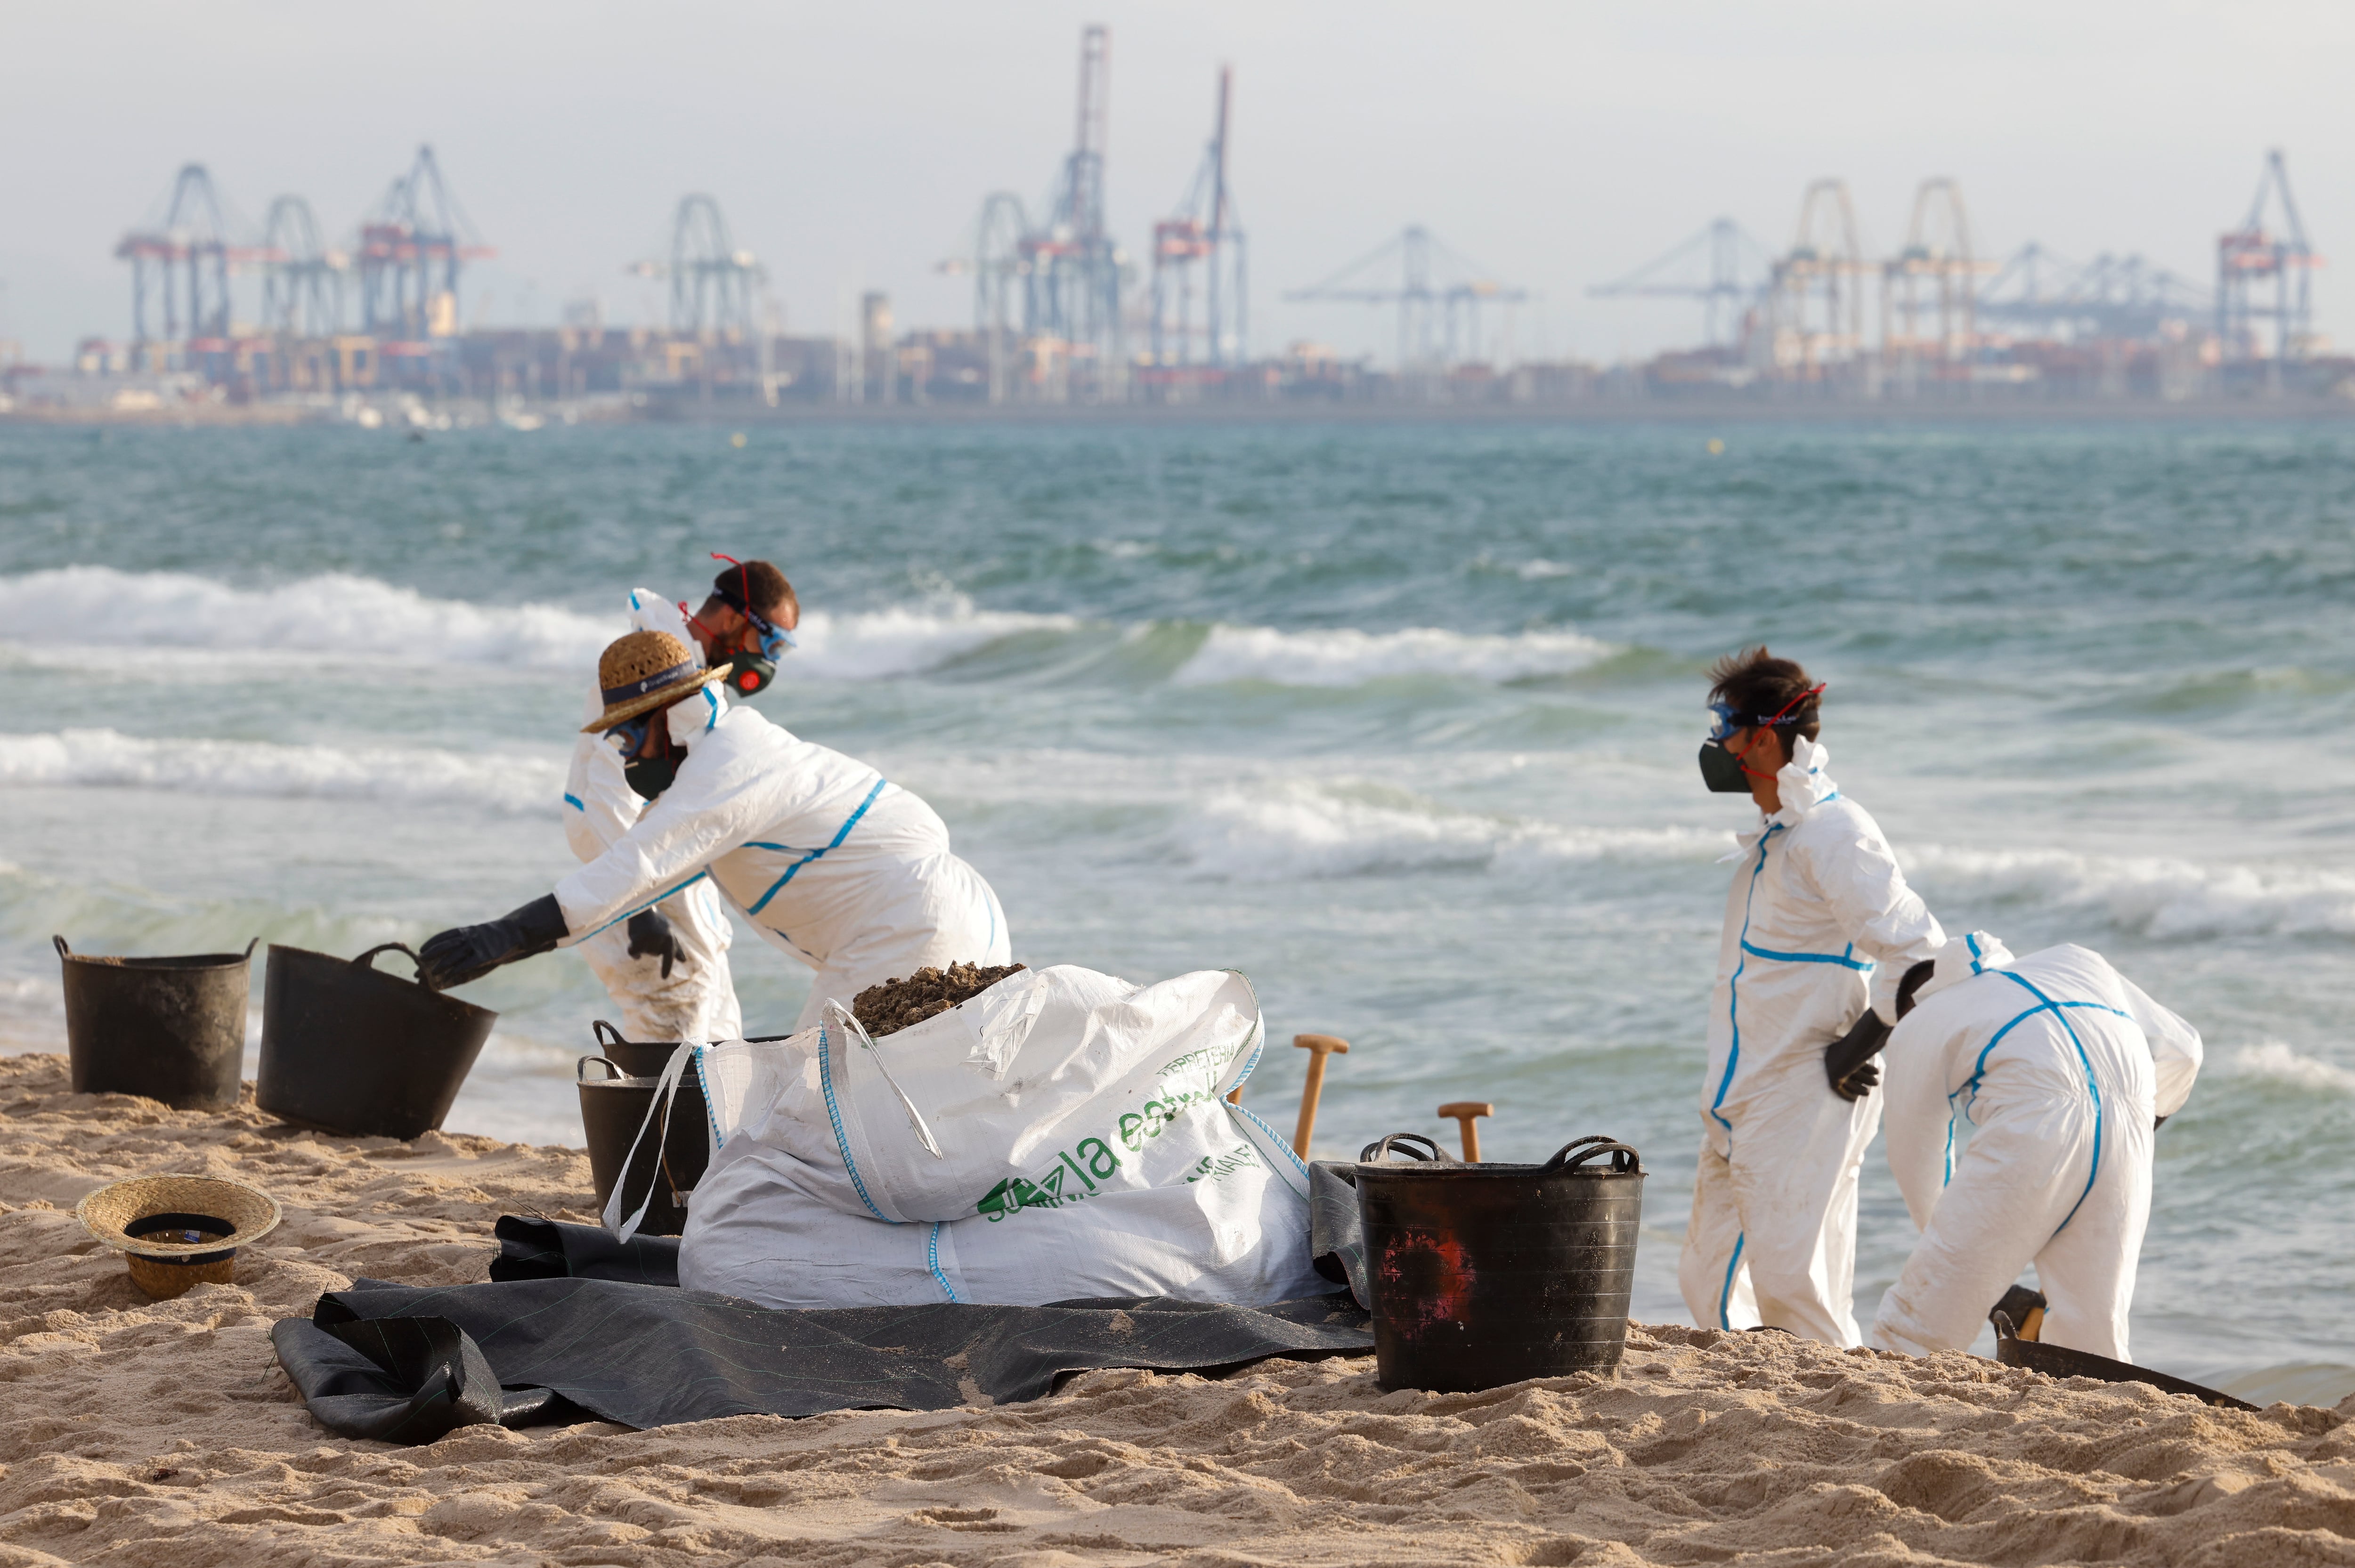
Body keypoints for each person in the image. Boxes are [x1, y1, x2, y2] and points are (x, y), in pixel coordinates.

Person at [419, 627, 1009, 1029]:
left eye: (627, 733)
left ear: (670, 716)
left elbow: (636, 867)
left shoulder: (730, 763)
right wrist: (511, 945)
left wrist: (498, 937)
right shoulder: (713, 768)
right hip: (948, 918)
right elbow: (629, 880)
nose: (624, 752)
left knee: (819, 1101)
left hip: (913, 927)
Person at [1677, 647, 1946, 1347]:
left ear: (1765, 736)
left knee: (1795, 1285)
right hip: (1739, 1090)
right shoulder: (1779, 835)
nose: (1715, 746)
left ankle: (1836, 1409)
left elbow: (1918, 953)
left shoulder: (1835, 831)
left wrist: (1853, 1050)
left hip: (1801, 1094)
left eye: (1725, 727)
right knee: (1710, 1278)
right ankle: (1746, 1412)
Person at [1836, 934, 2201, 1363]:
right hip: (2131, 1117)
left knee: (1915, 1327)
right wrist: (2141, 1127)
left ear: (1912, 1000)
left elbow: (1917, 1156)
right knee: (2092, 1337)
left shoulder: (1921, 1019)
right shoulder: (2075, 961)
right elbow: (2186, 1051)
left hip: (2035, 1121)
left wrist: (1961, 1257)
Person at [562, 558, 801, 1043]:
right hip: (637, 885)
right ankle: (653, 1122)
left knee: (715, 1032)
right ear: (736, 620)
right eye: (772, 642)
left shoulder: (690, 677)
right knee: (673, 1029)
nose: (771, 661)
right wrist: (634, 911)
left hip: (658, 877)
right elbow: (608, 796)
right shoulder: (650, 672)